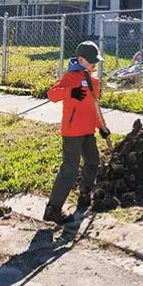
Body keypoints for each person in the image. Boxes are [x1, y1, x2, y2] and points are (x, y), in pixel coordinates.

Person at [43, 40, 110, 224]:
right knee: (70, 169)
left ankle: (84, 196)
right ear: (80, 59)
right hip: (72, 131)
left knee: (93, 162)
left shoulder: (94, 81)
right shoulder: (70, 78)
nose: (94, 63)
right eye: (91, 60)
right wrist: (71, 92)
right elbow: (52, 94)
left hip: (88, 131)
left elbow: (94, 107)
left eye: (95, 60)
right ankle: (53, 208)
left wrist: (101, 127)